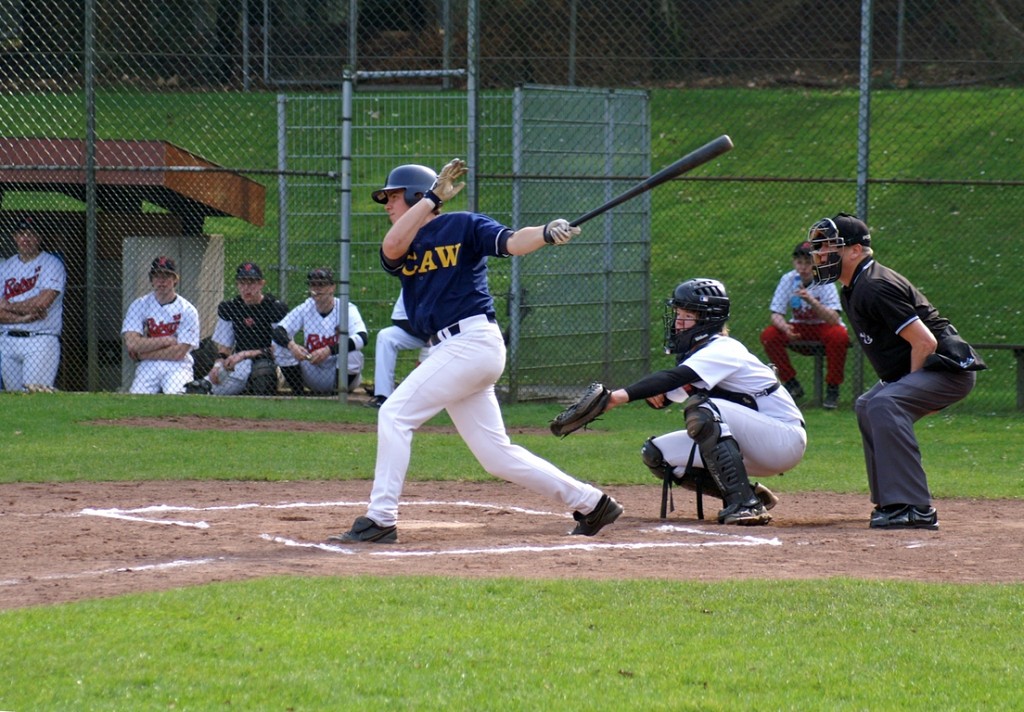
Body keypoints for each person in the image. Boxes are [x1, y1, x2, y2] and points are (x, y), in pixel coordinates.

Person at [328, 159, 622, 543]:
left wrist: (546, 233)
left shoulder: (463, 225)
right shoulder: (404, 241)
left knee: (395, 414)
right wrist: (431, 199)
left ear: (414, 194)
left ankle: (380, 520)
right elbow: (391, 246)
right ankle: (593, 503)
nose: (388, 205)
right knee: (495, 455)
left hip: (472, 341)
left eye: (395, 197)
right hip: (451, 351)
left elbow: (513, 241)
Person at [808, 213, 986, 530]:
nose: (820, 254)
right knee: (867, 404)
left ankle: (915, 508)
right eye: (818, 247)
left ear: (855, 251)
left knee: (885, 403)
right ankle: (891, 501)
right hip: (930, 366)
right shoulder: (854, 286)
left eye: (828, 246)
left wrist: (911, 392)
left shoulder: (874, 286)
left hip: (947, 368)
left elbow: (925, 342)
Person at [600, 278, 807, 525]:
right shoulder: (699, 355)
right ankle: (750, 494)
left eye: (686, 316)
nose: (678, 323)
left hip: (782, 439)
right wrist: (656, 392)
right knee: (656, 454)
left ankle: (745, 505)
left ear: (708, 319)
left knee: (702, 409)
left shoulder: (724, 348)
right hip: (751, 444)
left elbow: (674, 378)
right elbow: (663, 398)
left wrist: (616, 397)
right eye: (678, 314)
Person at [760, 240, 849, 408]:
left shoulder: (825, 279)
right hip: (799, 326)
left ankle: (832, 388)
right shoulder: (788, 279)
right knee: (769, 335)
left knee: (839, 335)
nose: (803, 268)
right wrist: (785, 328)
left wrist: (811, 301)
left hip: (823, 326)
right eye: (799, 262)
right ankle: (791, 383)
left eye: (808, 263)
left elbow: (834, 318)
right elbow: (776, 314)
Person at [185, 262, 290, 396]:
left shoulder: (274, 308)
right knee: (206, 384)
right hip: (240, 363)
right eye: (242, 283)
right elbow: (225, 348)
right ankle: (205, 387)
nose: (246, 288)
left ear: (261, 284)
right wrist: (218, 365)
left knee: (262, 370)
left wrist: (244, 354)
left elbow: (279, 350)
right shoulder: (232, 308)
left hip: (271, 363)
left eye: (251, 283)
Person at [272, 267, 369, 395]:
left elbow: (362, 337)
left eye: (321, 284)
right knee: (280, 346)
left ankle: (338, 395)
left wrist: (329, 350)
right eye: (313, 284)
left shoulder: (346, 308)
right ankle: (299, 394)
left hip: (338, 372)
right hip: (312, 368)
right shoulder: (306, 307)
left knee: (353, 353)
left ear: (332, 287)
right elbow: (279, 331)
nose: (317, 288)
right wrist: (292, 346)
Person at [0, 217, 66, 392]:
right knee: (14, 398)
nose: (26, 238)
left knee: (35, 395)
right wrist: (23, 317)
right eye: (21, 234)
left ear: (39, 238)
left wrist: (7, 306)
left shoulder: (51, 264)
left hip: (40, 339)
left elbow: (42, 303)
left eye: (32, 234)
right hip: (7, 339)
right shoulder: (5, 267)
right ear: (15, 237)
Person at [121, 256, 200, 394]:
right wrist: (167, 340)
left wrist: (142, 354)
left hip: (178, 366)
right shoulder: (139, 305)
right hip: (148, 365)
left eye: (166, 276)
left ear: (175, 279)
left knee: (176, 395)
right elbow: (132, 344)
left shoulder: (187, 309)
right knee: (137, 398)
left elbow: (179, 353)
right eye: (157, 276)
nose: (161, 281)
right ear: (151, 280)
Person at [365, 287, 430, 408]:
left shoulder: (445, 282)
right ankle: (383, 396)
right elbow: (399, 318)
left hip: (447, 335)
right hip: (420, 333)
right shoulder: (410, 283)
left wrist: (434, 337)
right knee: (386, 336)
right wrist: (427, 336)